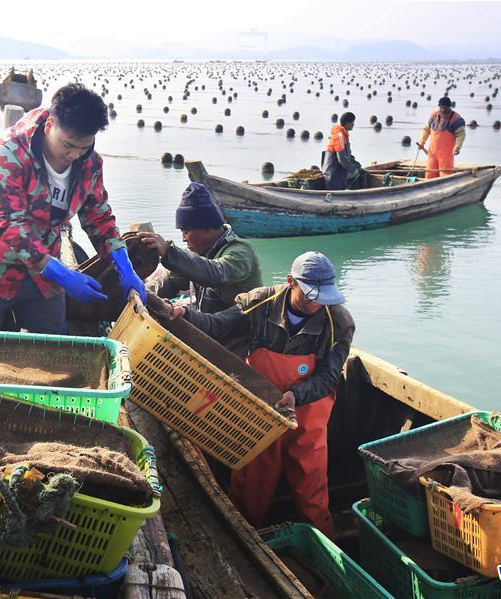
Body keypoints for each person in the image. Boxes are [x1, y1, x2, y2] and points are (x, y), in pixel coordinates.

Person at [169, 252, 355, 537]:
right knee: (254, 476)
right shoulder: (259, 302)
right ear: (291, 282)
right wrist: (188, 315)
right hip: (261, 407)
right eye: (309, 296)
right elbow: (217, 324)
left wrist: (296, 394)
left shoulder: (339, 322)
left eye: (323, 297)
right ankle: (246, 534)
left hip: (308, 409)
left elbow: (329, 376)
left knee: (311, 479)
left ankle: (321, 538)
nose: (316, 303)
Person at [0, 83, 146, 333]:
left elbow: (99, 218)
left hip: (42, 278)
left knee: (54, 353)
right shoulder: (7, 151)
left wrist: (123, 264)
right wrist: (61, 274)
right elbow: (9, 224)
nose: (75, 155)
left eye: (84, 147)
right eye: (68, 145)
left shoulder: (90, 163)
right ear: (50, 125)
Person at [139, 182, 263, 315]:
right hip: (212, 327)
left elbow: (215, 273)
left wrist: (169, 252)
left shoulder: (241, 251)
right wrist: (139, 292)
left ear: (207, 228)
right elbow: (172, 281)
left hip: (243, 330)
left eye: (186, 231)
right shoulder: (199, 253)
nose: (183, 239)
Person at [417, 96, 466, 179]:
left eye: (445, 108)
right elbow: (427, 129)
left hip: (446, 155)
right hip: (432, 153)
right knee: (429, 176)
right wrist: (422, 142)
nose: (443, 110)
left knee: (445, 176)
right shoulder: (434, 115)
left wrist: (457, 147)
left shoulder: (456, 119)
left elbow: (461, 135)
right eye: (441, 107)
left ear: (449, 107)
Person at [322, 112, 362, 190]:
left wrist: (357, 165)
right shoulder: (340, 136)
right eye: (352, 122)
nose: (353, 124)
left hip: (337, 169)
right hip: (333, 173)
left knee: (359, 170)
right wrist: (354, 169)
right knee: (358, 173)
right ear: (347, 123)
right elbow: (342, 159)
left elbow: (348, 156)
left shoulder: (344, 134)